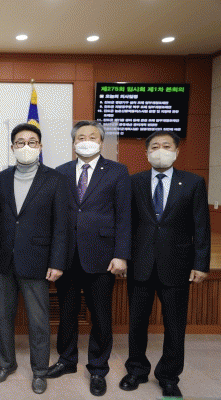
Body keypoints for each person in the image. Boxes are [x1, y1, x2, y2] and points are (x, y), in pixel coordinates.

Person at [119, 131, 210, 398]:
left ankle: (169, 376)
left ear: (176, 151)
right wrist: (122, 256)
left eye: (166, 146)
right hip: (140, 264)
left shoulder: (193, 182)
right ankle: (136, 370)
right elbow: (126, 224)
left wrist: (201, 263)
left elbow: (201, 226)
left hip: (177, 265)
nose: (161, 150)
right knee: (137, 323)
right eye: (155, 146)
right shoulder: (134, 182)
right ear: (147, 153)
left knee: (175, 325)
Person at [47, 121, 131, 397]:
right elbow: (56, 216)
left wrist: (121, 255)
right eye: (80, 137)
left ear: (101, 141)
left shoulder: (118, 171)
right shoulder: (61, 172)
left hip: (103, 255)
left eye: (92, 137)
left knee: (101, 315)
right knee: (67, 312)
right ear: (73, 143)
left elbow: (124, 216)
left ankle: (98, 368)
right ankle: (67, 360)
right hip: (68, 255)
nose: (86, 141)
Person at [0, 123, 69, 394]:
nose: (26, 146)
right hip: (4, 259)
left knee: (38, 321)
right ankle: (6, 364)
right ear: (12, 147)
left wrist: (57, 261)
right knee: (4, 317)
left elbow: (61, 225)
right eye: (20, 142)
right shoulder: (1, 178)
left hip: (38, 259)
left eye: (32, 142)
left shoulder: (55, 179)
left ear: (40, 146)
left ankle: (39, 371)